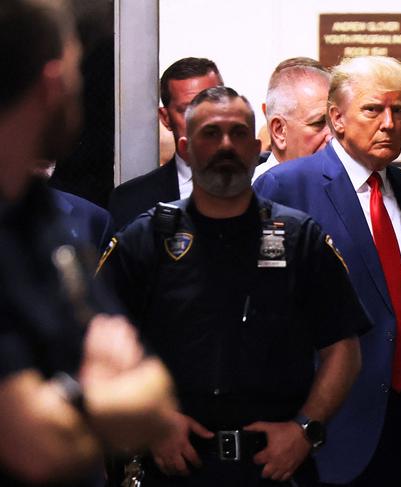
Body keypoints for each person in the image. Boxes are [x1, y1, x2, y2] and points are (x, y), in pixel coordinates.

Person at [98, 86, 369, 486]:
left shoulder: (300, 239)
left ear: (256, 146)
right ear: (186, 148)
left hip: (274, 467)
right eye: (211, 133)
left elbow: (343, 350)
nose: (226, 144)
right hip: (171, 467)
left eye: (238, 133)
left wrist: (304, 430)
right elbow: (95, 347)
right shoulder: (145, 240)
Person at [0, 1, 177, 486]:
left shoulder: (44, 218)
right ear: (53, 84)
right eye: (81, 67)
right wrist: (105, 391)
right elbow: (37, 445)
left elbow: (155, 394)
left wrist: (69, 403)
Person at [254, 56, 401, 487]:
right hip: (325, 426)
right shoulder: (287, 187)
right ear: (337, 119)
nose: (389, 123)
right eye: (373, 110)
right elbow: (265, 317)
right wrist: (296, 423)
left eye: (399, 111)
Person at [108, 57, 224, 228]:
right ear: (166, 118)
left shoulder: (260, 180)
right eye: (188, 110)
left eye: (214, 105)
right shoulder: (132, 200)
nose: (204, 119)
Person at [252, 57, 331, 182]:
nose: (332, 136)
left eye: (335, 121)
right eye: (318, 123)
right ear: (279, 131)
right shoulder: (251, 196)